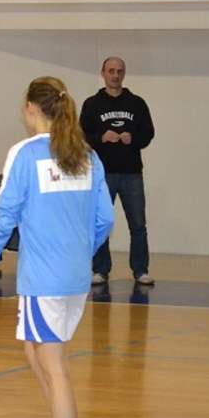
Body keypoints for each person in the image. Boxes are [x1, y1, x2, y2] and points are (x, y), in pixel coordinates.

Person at [0, 77, 113, 418]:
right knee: (35, 352)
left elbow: (5, 215)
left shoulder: (26, 154)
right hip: (75, 278)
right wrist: (79, 251)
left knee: (53, 365)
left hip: (44, 280)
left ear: (31, 108)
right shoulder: (87, 155)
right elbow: (105, 219)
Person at [80, 57, 154, 286]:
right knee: (101, 222)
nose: (115, 75)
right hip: (102, 174)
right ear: (103, 73)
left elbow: (148, 133)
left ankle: (140, 270)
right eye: (111, 71)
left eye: (119, 71)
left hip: (132, 173)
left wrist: (134, 138)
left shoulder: (137, 103)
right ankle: (101, 270)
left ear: (124, 74)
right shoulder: (92, 104)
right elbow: (81, 136)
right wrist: (101, 138)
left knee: (138, 224)